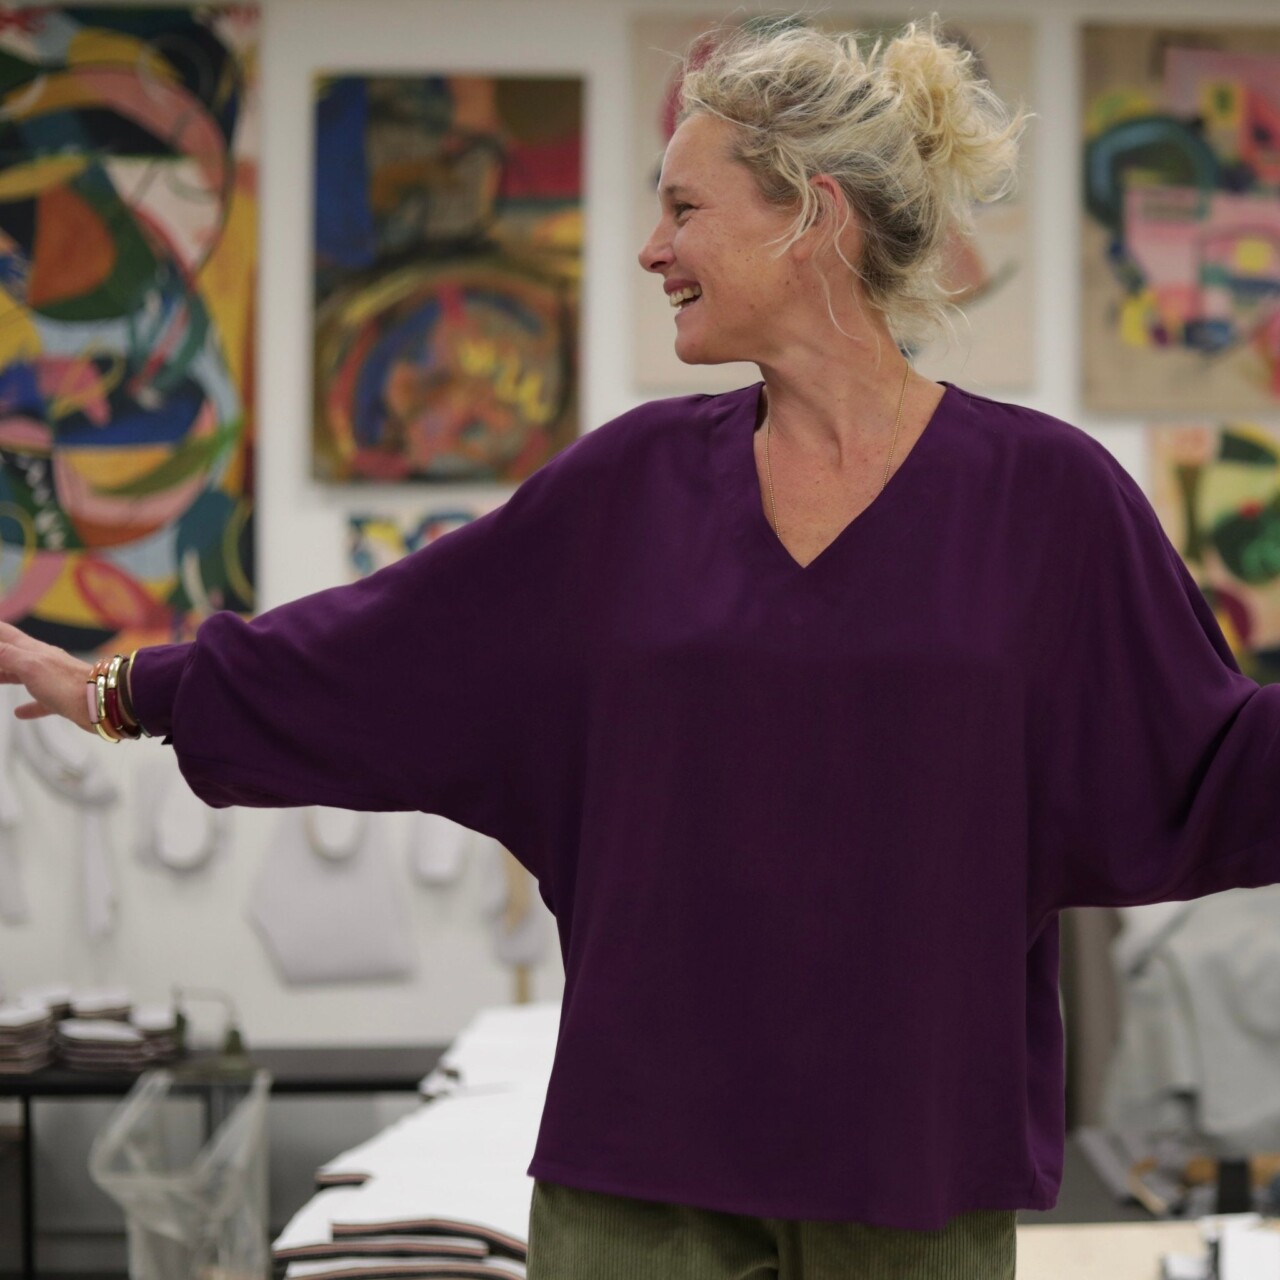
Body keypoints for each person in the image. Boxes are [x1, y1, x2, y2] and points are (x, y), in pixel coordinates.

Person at [5, 16, 1280, 1280]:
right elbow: (384, 651)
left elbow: (1203, 755)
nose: (648, 246)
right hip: (644, 1167)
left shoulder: (1044, 498)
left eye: (683, 206)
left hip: (912, 1169)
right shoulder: (628, 489)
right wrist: (124, 686)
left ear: (810, 214)